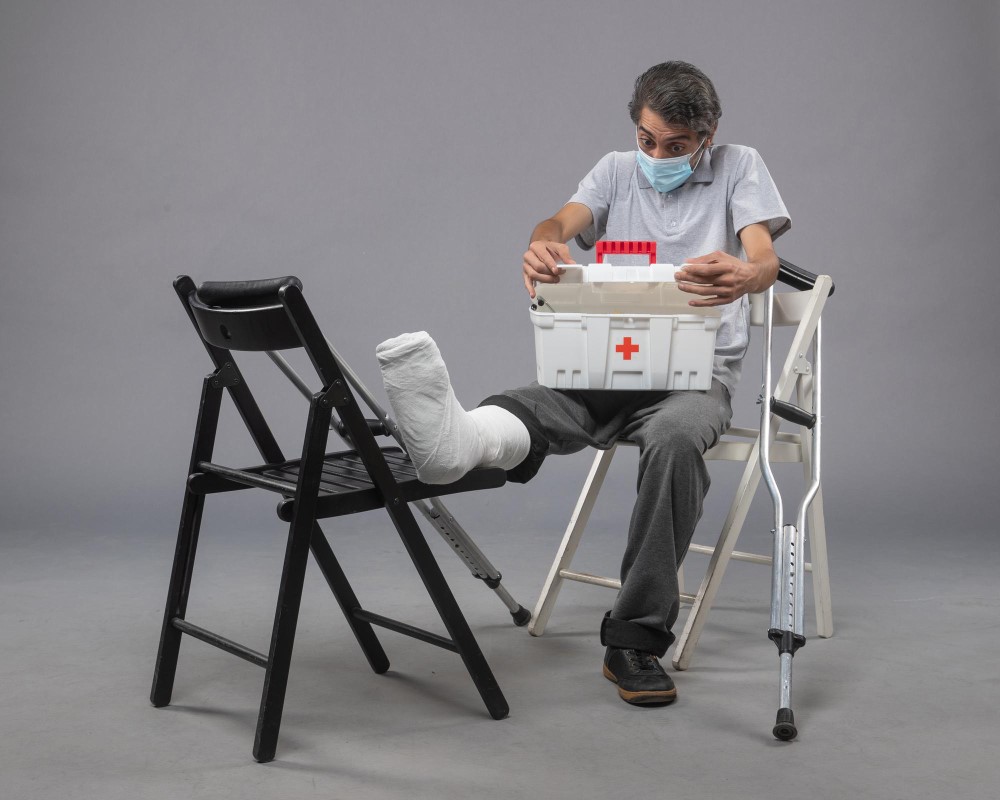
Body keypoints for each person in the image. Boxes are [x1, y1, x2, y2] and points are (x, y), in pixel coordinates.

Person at [377, 61, 790, 706]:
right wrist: (540, 246)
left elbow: (763, 256)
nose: (657, 155)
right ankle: (451, 445)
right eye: (647, 138)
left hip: (693, 378)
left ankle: (634, 640)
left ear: (708, 134)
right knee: (538, 404)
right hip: (605, 367)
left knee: (678, 441)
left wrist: (747, 274)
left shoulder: (740, 166)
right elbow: (556, 224)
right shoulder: (615, 170)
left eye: (676, 146)